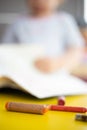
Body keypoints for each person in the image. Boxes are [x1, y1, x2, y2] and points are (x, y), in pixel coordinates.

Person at [2, 0, 85, 73]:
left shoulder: (64, 20)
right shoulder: (18, 22)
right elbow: (6, 50)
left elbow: (76, 50)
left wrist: (59, 63)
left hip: (57, 73)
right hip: (24, 73)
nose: (39, 1)